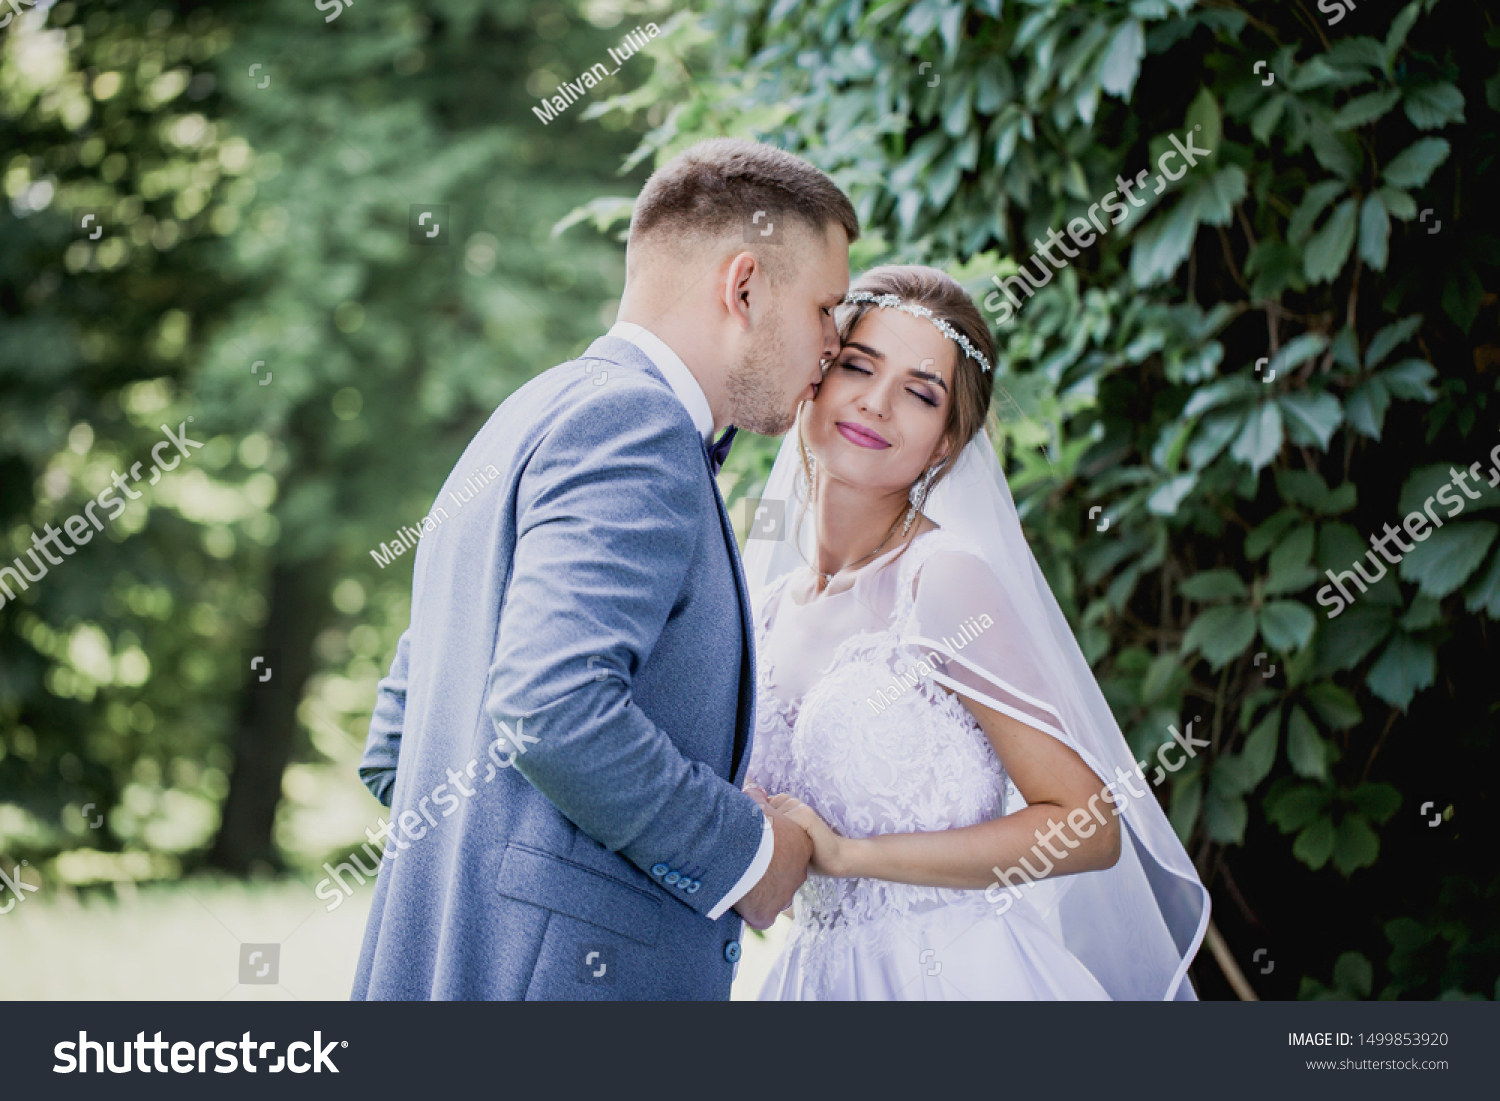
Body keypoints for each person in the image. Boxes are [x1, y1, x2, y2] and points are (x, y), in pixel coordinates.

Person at [352, 138, 857, 999]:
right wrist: (749, 855)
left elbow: (398, 744)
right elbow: (551, 704)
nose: (835, 344)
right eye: (826, 308)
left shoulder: (522, 416)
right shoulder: (636, 428)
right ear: (744, 287)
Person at [742, 265, 1210, 1000]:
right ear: (815, 379)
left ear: (945, 445)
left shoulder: (943, 581)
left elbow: (1087, 824)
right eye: (858, 366)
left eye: (920, 392)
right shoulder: (764, 612)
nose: (876, 401)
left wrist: (853, 853)